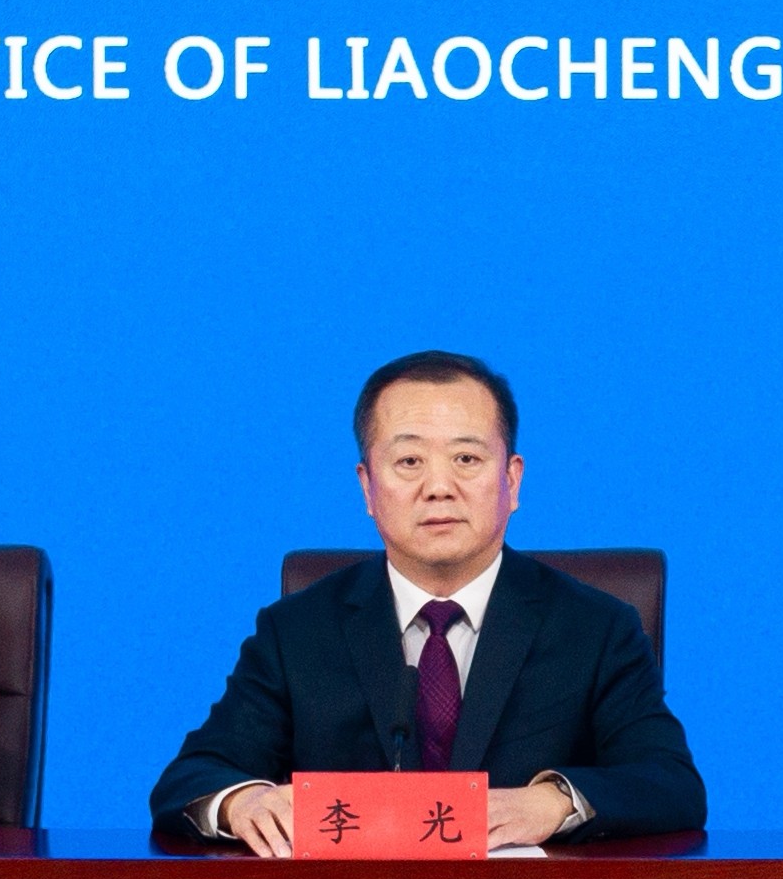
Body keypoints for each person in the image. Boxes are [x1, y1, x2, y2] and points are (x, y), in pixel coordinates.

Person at [153, 351, 701, 853]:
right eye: (409, 461)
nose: (439, 486)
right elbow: (191, 777)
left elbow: (670, 782)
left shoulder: (596, 628)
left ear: (512, 481)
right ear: (368, 488)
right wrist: (242, 802)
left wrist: (553, 801)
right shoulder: (297, 631)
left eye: (466, 458)